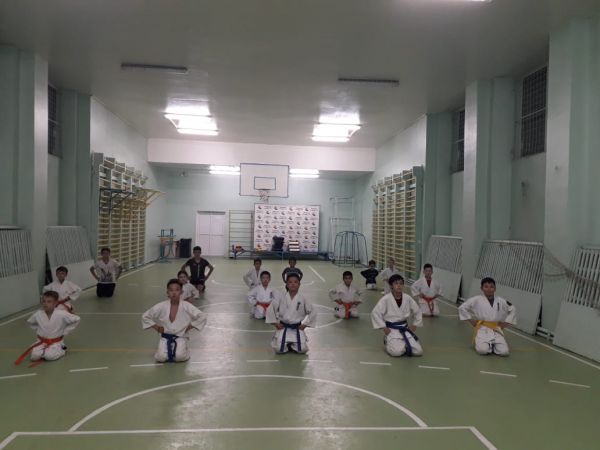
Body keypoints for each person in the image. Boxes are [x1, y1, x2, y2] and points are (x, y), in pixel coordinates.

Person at [142, 279, 207, 363]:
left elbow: (202, 316)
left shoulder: (186, 306)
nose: (174, 293)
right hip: (165, 336)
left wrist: (190, 326)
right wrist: (156, 327)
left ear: (181, 292)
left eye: (177, 290)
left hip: (181, 336)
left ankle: (185, 350)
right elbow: (145, 316)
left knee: (179, 357)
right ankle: (164, 350)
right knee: (161, 358)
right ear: (167, 292)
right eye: (171, 290)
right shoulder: (161, 306)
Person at [15, 291, 80, 365]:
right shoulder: (38, 314)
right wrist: (39, 329)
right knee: (34, 357)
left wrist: (66, 331)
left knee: (49, 356)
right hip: (41, 341)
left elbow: (77, 319)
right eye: (43, 301)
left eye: (49, 301)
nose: (45, 303)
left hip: (55, 342)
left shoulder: (61, 314)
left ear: (55, 303)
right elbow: (31, 322)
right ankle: (44, 351)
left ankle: (62, 349)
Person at [458, 277, 516, 356]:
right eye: (486, 287)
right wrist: (471, 321)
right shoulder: (476, 299)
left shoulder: (500, 300)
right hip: (482, 328)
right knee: (482, 350)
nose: (489, 289)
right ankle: (484, 344)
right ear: (481, 288)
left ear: (495, 288)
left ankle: (493, 345)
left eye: (491, 287)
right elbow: (462, 308)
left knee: (504, 352)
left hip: (496, 329)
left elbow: (512, 309)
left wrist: (505, 324)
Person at [371, 274, 423, 357]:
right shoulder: (386, 299)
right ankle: (387, 341)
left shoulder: (407, 298)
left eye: (401, 283)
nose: (399, 285)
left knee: (418, 351)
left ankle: (401, 344)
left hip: (405, 328)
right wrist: (384, 327)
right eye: (396, 283)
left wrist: (415, 324)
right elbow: (375, 313)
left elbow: (418, 311)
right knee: (396, 353)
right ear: (391, 285)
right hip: (392, 329)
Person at [266, 273, 317, 354]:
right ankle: (286, 344)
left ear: (299, 284)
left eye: (295, 282)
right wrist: (275, 323)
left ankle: (291, 345)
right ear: (286, 284)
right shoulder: (281, 297)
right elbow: (270, 309)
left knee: (302, 350)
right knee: (278, 350)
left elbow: (313, 311)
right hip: (283, 327)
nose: (293, 284)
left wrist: (305, 324)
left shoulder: (303, 298)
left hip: (297, 328)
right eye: (290, 282)